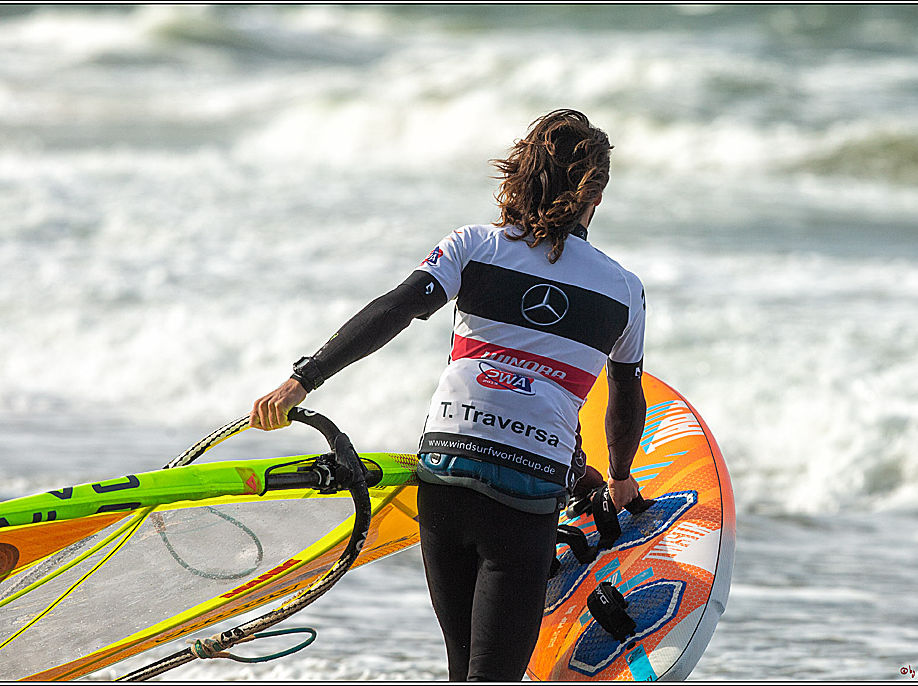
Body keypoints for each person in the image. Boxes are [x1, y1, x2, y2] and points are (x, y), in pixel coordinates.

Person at [250, 109, 648, 681]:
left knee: (462, 667)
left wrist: (301, 381)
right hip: (526, 489)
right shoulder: (623, 291)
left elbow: (395, 309)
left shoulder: (473, 245)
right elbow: (625, 394)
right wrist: (619, 475)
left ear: (520, 175)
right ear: (596, 195)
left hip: (444, 473)